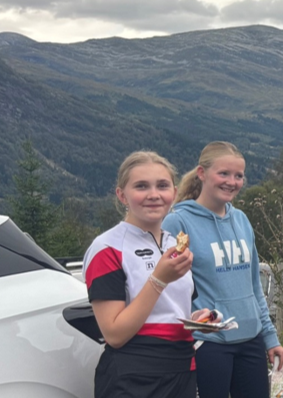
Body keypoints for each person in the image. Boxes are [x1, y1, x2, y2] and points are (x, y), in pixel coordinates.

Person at [83, 151, 215, 398]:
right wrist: (158, 280)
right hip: (133, 376)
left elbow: (169, 311)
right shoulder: (107, 248)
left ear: (174, 193)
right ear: (122, 195)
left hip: (182, 369)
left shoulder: (176, 244)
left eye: (162, 186)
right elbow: (114, 334)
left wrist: (198, 320)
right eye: (141, 186)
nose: (153, 194)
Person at [162, 141, 283, 398]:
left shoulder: (241, 219)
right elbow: (168, 288)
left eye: (238, 176)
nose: (232, 182)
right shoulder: (178, 222)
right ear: (202, 173)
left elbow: (254, 287)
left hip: (251, 339)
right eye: (224, 174)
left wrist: (269, 337)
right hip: (208, 342)